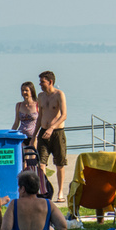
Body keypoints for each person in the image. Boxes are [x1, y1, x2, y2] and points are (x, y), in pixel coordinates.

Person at [0, 171, 66, 230]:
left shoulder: (14, 204)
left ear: (23, 189)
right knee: (51, 229)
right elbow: (63, 227)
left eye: (19, 188)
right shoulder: (47, 204)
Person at [36, 71, 68, 201]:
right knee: (41, 163)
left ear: (50, 82)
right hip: (43, 132)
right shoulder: (41, 96)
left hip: (57, 133)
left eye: (42, 82)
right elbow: (40, 116)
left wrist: (52, 128)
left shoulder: (59, 94)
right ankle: (44, 190)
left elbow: (64, 115)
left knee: (59, 163)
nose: (40, 84)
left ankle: (60, 192)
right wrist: (34, 135)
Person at [12, 82, 40, 151]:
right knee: (22, 158)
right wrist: (11, 134)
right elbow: (16, 123)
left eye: (26, 90)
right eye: (22, 90)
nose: (24, 92)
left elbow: (41, 121)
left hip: (34, 136)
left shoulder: (38, 105)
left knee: (32, 158)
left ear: (31, 91)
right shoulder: (19, 105)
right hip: (21, 136)